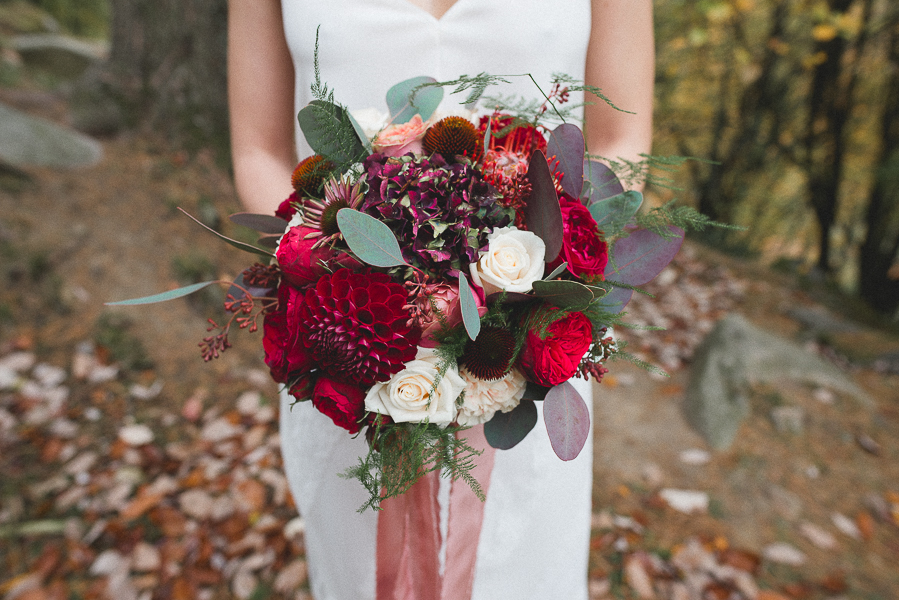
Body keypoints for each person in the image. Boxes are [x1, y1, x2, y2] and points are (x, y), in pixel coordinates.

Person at [227, 1, 653, 598]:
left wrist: (520, 289)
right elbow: (260, 150)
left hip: (527, 348)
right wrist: (338, 275)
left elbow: (622, 139)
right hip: (348, 346)